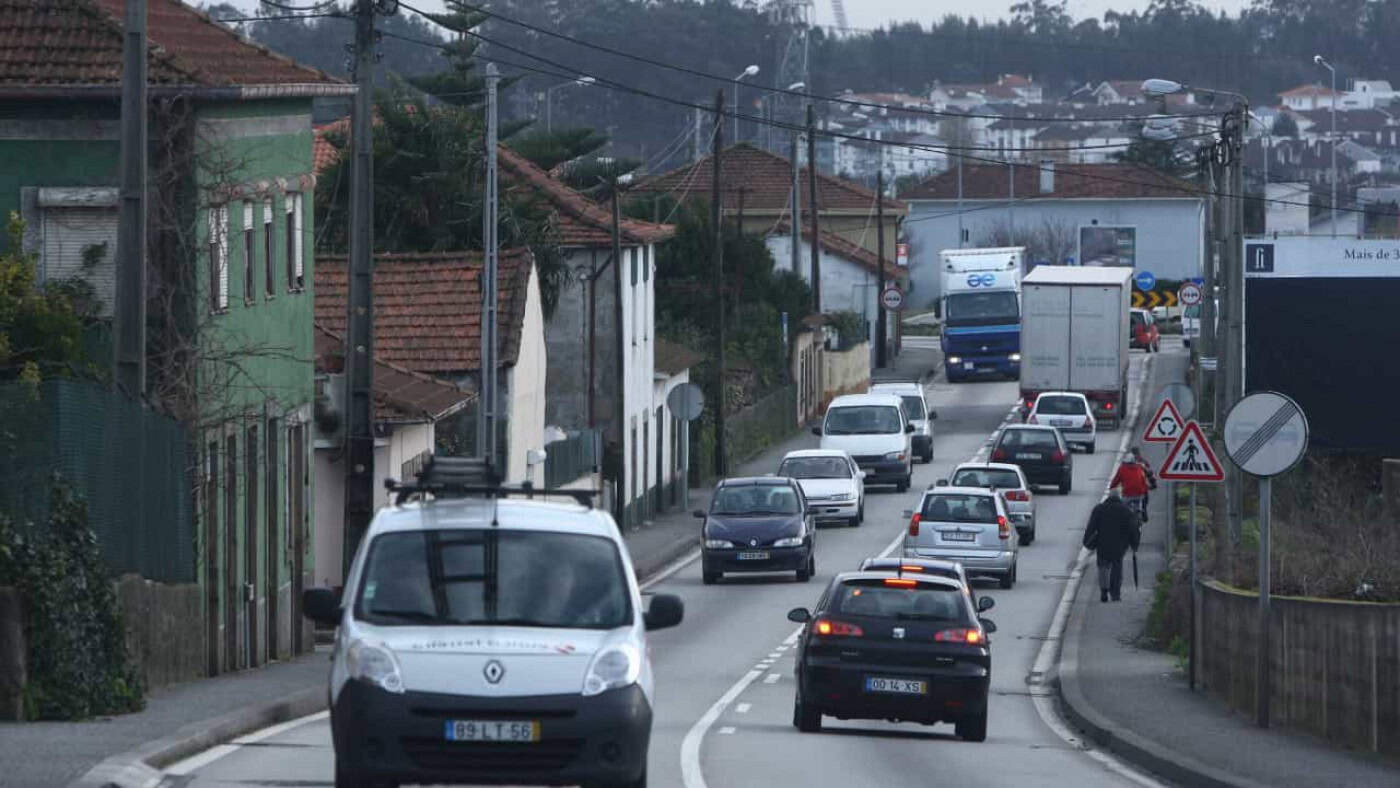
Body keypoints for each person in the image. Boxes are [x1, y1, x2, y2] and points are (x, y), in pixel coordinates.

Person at [1083, 487, 1141, 602]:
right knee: (1117, 568)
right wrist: (1135, 544)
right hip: (1119, 545)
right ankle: (1115, 594)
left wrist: (1087, 541)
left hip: (1102, 543)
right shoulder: (1126, 511)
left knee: (1103, 567)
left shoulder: (1099, 509)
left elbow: (1091, 528)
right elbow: (1133, 529)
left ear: (1109, 497)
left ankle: (1104, 591)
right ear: (1119, 497)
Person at [1110, 452, 1152, 522]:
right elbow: (1143, 480)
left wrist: (1111, 487)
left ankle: (1124, 523)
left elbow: (1116, 481)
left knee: (1123, 510)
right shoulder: (1139, 467)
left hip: (1127, 494)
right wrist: (1145, 489)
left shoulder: (1122, 469)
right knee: (1139, 505)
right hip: (1139, 493)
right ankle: (1141, 514)